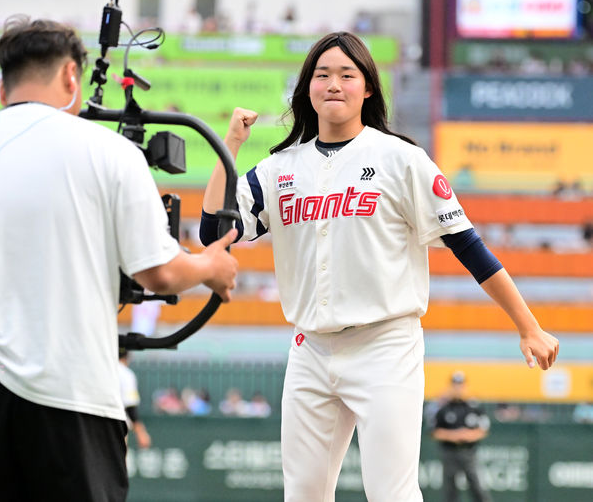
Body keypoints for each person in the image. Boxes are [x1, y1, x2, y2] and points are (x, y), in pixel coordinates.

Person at [199, 31, 560, 501]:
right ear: (306, 86)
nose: (333, 83)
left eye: (347, 75)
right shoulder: (279, 169)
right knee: (303, 493)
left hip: (385, 344)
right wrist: (230, 142)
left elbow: (468, 246)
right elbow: (212, 233)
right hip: (310, 348)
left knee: (392, 493)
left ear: (367, 87)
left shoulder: (402, 159)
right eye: (322, 74)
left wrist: (528, 326)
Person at [0, 15, 238, 502]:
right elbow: (158, 270)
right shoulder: (108, 150)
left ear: (2, 87)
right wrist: (212, 266)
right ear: (69, 78)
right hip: (67, 391)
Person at [432, 372, 492, 502]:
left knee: (477, 486)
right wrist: (454, 435)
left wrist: (467, 435)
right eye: (455, 384)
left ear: (465, 386)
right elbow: (435, 430)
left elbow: (484, 428)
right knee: (450, 489)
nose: (457, 388)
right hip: (450, 451)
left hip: (468, 452)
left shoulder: (473, 406)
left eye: (460, 384)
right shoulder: (444, 408)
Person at [118, 350, 151, 449]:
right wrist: (141, 432)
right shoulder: (125, 373)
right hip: (116, 426)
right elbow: (130, 406)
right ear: (127, 356)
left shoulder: (101, 370)